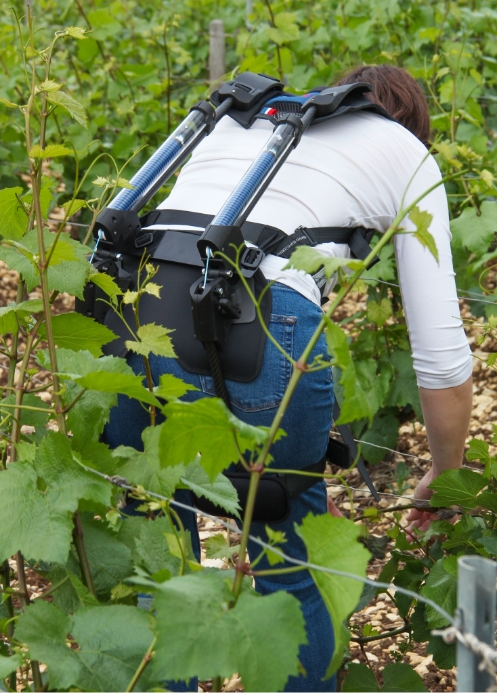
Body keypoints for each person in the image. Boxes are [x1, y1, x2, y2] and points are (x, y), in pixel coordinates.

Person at [103, 64, 473, 692]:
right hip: (258, 332)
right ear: (409, 122)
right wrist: (446, 472)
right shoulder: (407, 153)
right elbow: (440, 356)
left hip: (130, 316)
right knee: (288, 555)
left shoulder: (245, 120)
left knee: (156, 547)